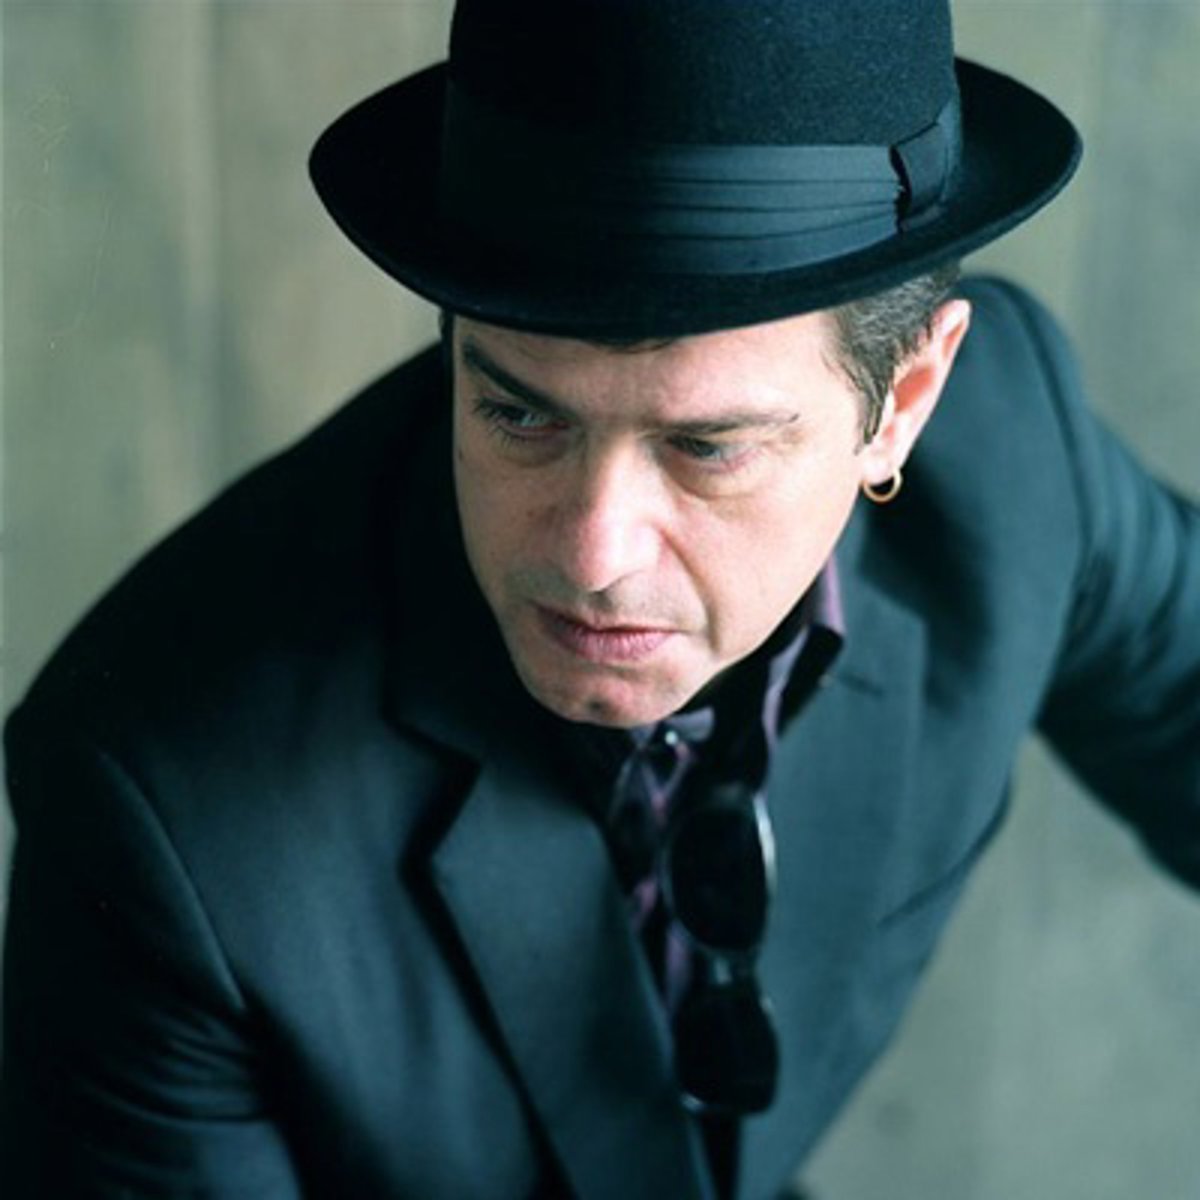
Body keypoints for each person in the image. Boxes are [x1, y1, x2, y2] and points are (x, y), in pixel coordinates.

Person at [2, 1, 1197, 1197]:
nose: (593, 555)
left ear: (906, 401)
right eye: (520, 414)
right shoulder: (163, 810)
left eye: (707, 447)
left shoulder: (1015, 460)